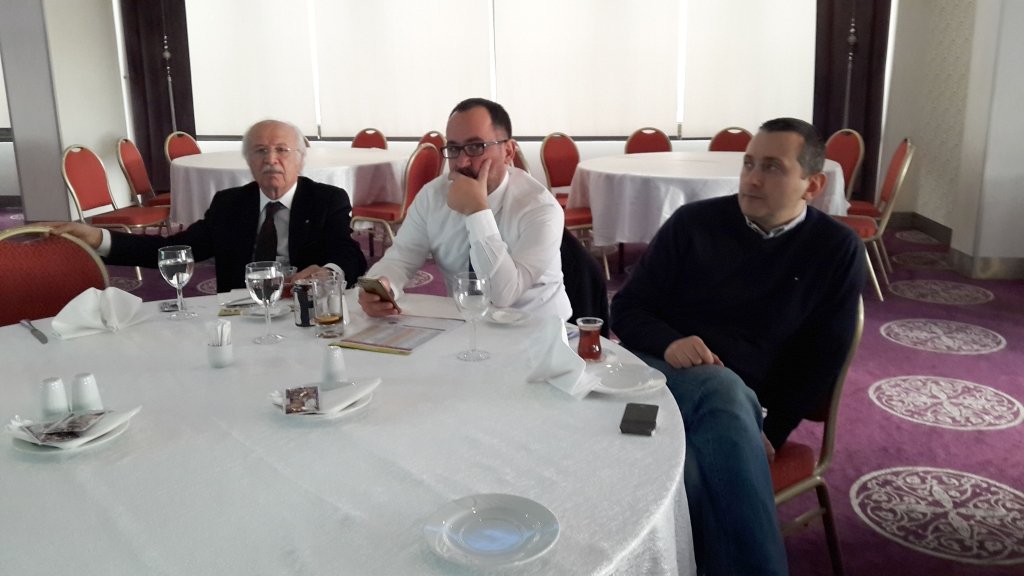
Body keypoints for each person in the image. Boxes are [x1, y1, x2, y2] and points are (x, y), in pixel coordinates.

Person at [611, 117, 867, 575]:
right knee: (721, 386)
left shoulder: (835, 249)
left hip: (748, 408)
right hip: (663, 381)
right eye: (749, 164)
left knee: (688, 473)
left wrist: (771, 431)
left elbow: (820, 360)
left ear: (812, 185)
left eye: (772, 167)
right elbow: (627, 310)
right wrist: (669, 343)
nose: (752, 179)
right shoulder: (693, 224)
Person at [51, 120, 367, 291]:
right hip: (241, 311)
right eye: (260, 151)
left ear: (300, 159)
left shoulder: (326, 199)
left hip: (303, 306)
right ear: (248, 160)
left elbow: (348, 253)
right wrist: (99, 238)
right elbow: (176, 250)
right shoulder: (230, 203)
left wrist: (329, 272)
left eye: (282, 150)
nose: (271, 159)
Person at [358, 98, 570, 320]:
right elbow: (401, 258)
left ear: (508, 151)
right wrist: (382, 284)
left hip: (537, 328)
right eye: (453, 148)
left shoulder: (540, 208)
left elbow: (502, 294)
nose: (461, 162)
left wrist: (476, 211)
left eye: (475, 147)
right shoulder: (433, 196)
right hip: (465, 323)